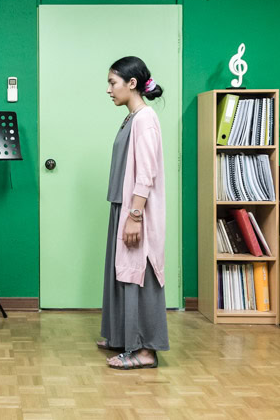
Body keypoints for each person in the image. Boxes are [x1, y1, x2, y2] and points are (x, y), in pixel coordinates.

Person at [96, 56, 169, 370]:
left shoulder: (145, 119)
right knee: (122, 274)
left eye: (113, 83)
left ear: (132, 84)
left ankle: (144, 351)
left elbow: (146, 172)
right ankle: (121, 335)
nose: (109, 90)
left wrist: (135, 215)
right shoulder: (131, 118)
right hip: (123, 206)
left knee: (141, 275)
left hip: (135, 209)